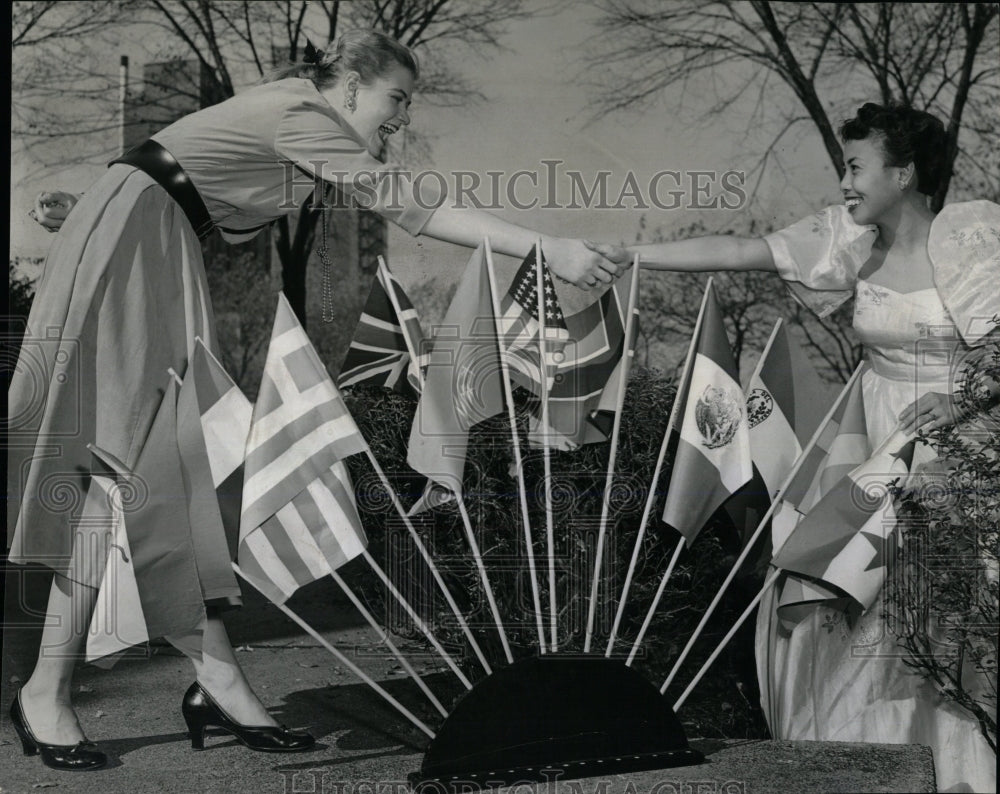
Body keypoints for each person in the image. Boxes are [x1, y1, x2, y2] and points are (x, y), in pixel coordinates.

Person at [8, 28, 621, 772]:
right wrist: (545, 248)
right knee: (128, 466)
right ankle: (55, 688)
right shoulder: (306, 115)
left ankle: (210, 676)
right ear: (354, 82)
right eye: (395, 99)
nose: (400, 119)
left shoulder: (297, 126)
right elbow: (414, 211)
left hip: (158, 238)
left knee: (161, 472)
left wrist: (100, 199)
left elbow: (182, 163)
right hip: (143, 242)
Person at [585, 103, 998, 792]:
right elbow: (742, 249)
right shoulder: (848, 241)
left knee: (942, 608)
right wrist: (631, 255)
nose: (844, 182)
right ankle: (871, 768)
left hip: (961, 445)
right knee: (845, 600)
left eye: (856, 166)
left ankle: (964, 773)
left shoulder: (973, 238)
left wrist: (958, 404)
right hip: (875, 445)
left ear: (904, 172)